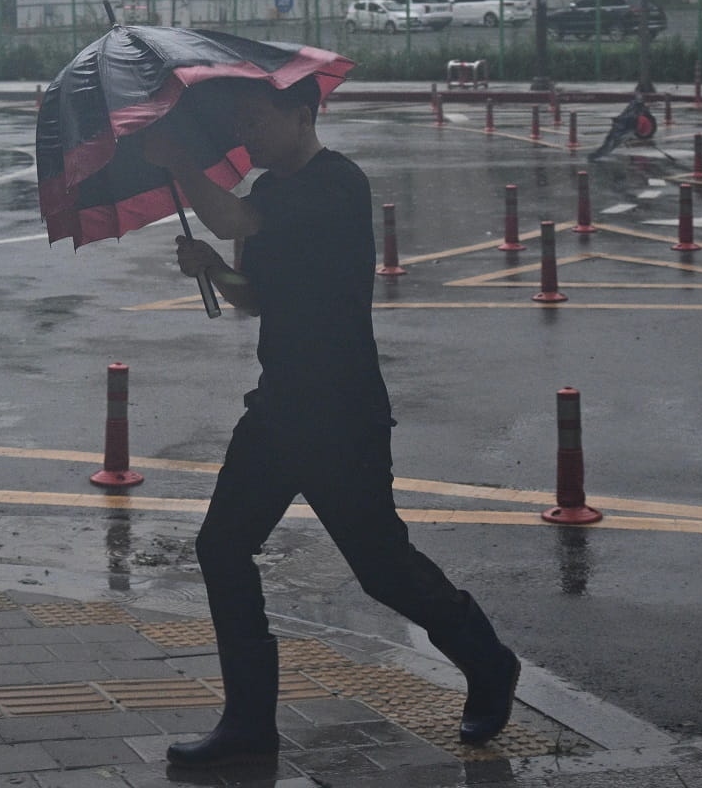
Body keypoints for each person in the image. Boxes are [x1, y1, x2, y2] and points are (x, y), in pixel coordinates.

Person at [139, 75, 520, 769]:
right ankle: (249, 727)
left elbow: (233, 220)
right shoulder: (270, 192)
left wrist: (178, 162)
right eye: (241, 122)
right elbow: (256, 298)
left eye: (255, 119)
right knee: (221, 548)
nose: (246, 134)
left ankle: (487, 659)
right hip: (280, 406)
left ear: (301, 115)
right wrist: (215, 271)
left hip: (341, 411)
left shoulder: (338, 183)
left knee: (382, 569)